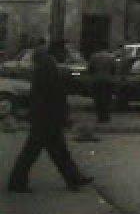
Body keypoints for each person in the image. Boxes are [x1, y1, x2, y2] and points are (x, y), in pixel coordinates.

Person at [8, 40, 93, 193]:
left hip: (44, 116)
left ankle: (73, 177)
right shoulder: (49, 66)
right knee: (39, 151)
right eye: (64, 52)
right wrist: (62, 116)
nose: (66, 55)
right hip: (46, 117)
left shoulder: (46, 64)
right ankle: (17, 182)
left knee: (56, 150)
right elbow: (54, 95)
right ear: (58, 51)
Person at [88, 48, 116, 123]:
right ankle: (106, 116)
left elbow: (90, 69)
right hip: (108, 80)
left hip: (97, 80)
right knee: (107, 98)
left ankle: (100, 116)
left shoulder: (93, 57)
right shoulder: (111, 57)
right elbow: (114, 69)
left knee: (98, 99)